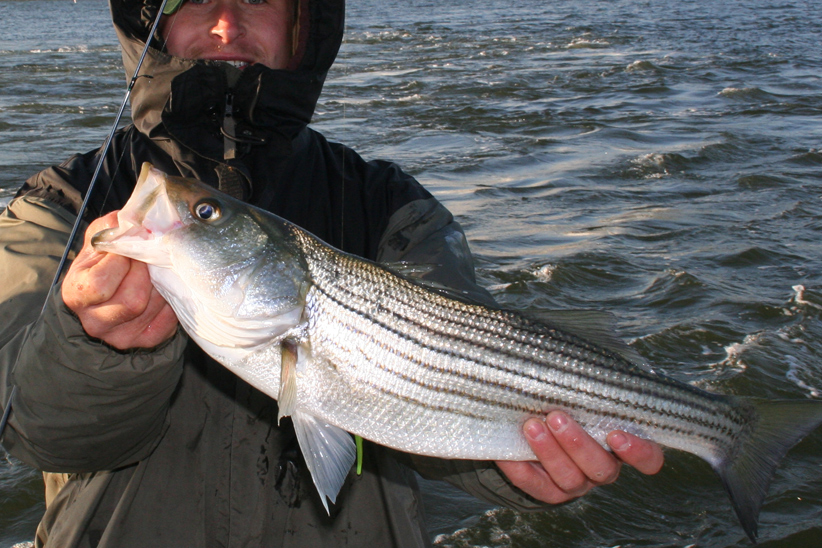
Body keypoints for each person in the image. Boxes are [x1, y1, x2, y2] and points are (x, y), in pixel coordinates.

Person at [0, 0, 663, 546]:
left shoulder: (387, 204)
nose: (225, 23)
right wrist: (92, 344)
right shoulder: (61, 203)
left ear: (302, 28)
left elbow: (467, 376)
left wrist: (513, 469)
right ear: (151, 23)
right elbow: (31, 430)